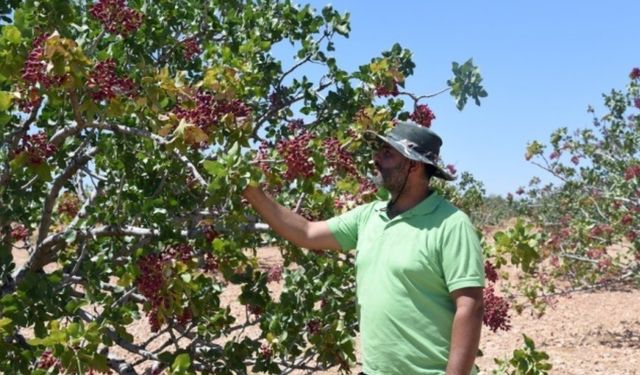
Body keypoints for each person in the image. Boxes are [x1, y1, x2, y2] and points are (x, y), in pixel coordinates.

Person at [243, 121, 485, 375]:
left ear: (414, 165)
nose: (375, 159)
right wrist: (252, 191)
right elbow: (306, 232)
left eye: (388, 153)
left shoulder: (452, 224)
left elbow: (470, 307)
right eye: (378, 151)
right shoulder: (369, 216)